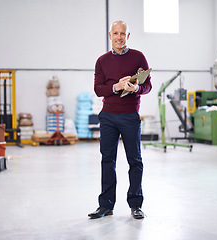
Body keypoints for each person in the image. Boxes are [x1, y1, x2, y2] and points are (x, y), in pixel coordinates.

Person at [88, 20, 152, 219]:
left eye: (122, 33)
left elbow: (148, 85)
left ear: (128, 36)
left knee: (135, 161)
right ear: (110, 36)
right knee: (108, 160)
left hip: (130, 116)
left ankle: (135, 204)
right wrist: (117, 86)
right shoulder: (102, 61)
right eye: (115, 33)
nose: (119, 37)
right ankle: (106, 205)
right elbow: (98, 90)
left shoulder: (138, 57)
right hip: (108, 117)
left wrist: (136, 89)